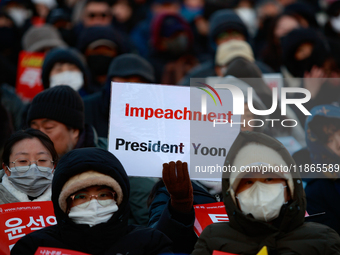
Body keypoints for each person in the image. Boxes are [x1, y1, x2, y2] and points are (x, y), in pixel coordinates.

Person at [192, 131, 340, 254]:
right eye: (248, 182)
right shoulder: (214, 239)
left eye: (269, 179)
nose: (259, 189)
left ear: (290, 188)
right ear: (233, 194)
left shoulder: (322, 240)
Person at [11, 147, 173, 255]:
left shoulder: (150, 243)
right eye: (81, 196)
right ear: (64, 204)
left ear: (120, 199)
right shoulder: (34, 247)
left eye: (104, 195)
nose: (93, 203)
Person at [27, 85, 107, 158]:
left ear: (75, 131)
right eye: (34, 129)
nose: (39, 136)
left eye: (48, 127)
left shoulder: (107, 157)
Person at [299, 105, 340, 235]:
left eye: (339, 132)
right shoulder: (316, 188)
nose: (338, 143)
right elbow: (328, 237)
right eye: (329, 140)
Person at [0, 128, 58, 204]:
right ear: (6, 169)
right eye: (23, 161)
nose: (33, 168)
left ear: (53, 166)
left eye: (42, 160)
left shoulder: (69, 200)